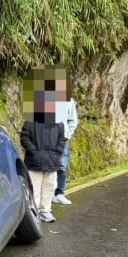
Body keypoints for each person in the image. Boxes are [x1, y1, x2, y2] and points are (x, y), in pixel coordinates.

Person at [20, 92, 67, 223]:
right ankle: (33, 213)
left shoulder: (59, 122)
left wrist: (56, 154)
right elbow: (24, 138)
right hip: (34, 162)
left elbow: (62, 140)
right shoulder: (30, 121)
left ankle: (45, 211)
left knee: (49, 187)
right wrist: (34, 152)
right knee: (33, 188)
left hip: (52, 162)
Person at [51, 76, 78, 205]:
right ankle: (48, 195)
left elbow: (73, 120)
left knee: (61, 166)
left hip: (62, 139)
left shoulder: (69, 100)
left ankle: (59, 193)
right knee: (46, 167)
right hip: (46, 138)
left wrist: (67, 134)